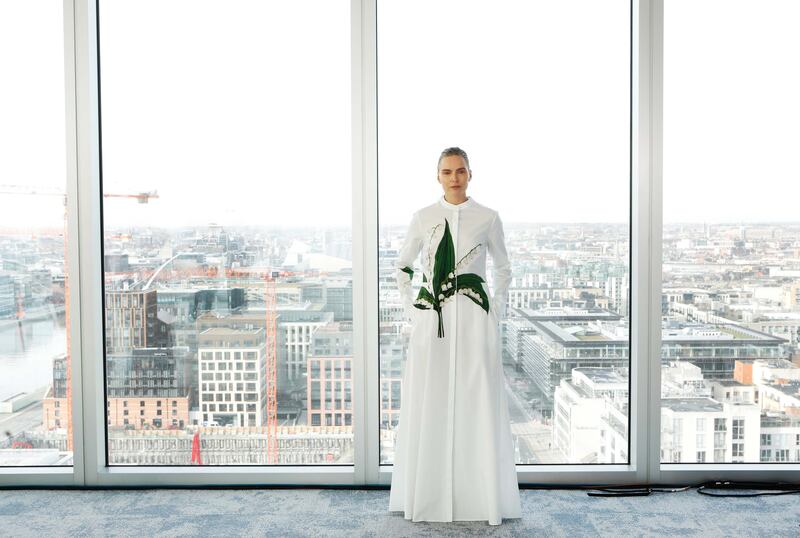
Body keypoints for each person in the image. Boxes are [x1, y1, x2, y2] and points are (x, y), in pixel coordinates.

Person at [388, 147, 522, 525]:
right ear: (438, 176)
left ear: (470, 174)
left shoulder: (488, 218)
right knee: (433, 396)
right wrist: (413, 308)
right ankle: (429, 495)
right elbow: (403, 266)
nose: (454, 177)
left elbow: (504, 268)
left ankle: (478, 498)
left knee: (475, 398)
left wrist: (495, 310)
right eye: (447, 171)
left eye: (460, 171)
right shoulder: (423, 218)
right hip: (434, 322)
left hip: (474, 320)